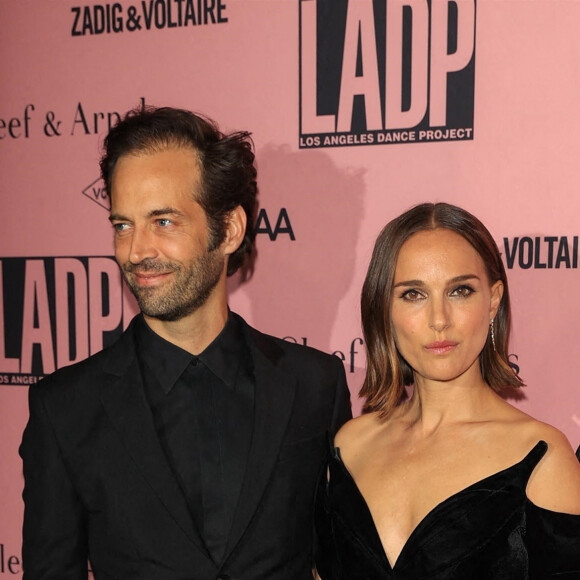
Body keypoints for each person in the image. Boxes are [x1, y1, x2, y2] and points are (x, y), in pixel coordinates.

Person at [20, 105, 351, 580]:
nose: (136, 252)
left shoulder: (315, 386)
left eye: (164, 221)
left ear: (229, 230)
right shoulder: (65, 408)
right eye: (122, 225)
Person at [315, 202, 580, 579]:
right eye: (413, 294)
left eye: (460, 291)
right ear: (384, 310)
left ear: (493, 300)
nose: (439, 319)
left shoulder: (541, 459)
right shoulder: (350, 446)